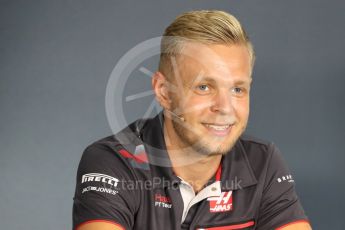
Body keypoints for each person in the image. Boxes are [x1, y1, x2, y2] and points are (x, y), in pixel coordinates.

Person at [73, 10, 312, 230]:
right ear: (164, 92)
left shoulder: (262, 162)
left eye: (238, 89)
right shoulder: (114, 161)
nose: (225, 108)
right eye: (204, 87)